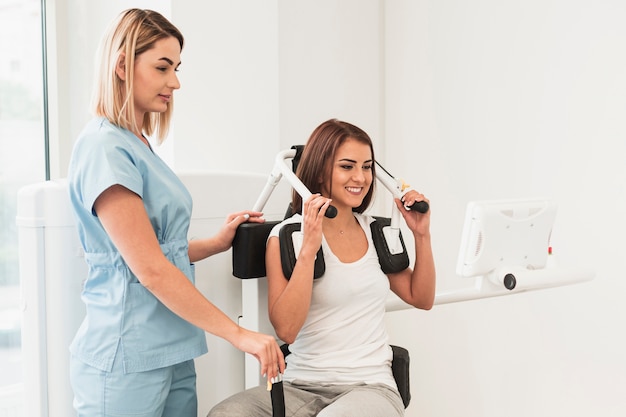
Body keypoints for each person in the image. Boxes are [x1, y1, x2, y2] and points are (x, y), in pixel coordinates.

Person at [67, 9, 284, 417]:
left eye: (177, 68)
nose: (175, 82)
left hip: (171, 347)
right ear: (121, 66)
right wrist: (239, 335)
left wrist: (215, 244)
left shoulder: (139, 145)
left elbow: (152, 250)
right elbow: (148, 269)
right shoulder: (104, 148)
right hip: (127, 354)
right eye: (163, 67)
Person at [207, 118, 436, 417]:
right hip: (299, 384)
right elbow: (287, 330)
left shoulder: (379, 232)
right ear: (319, 171)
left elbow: (422, 298)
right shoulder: (287, 237)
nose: (361, 177)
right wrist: (309, 249)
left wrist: (421, 234)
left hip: (369, 386)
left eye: (367, 166)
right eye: (347, 166)